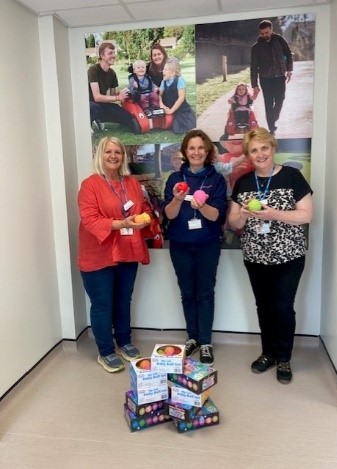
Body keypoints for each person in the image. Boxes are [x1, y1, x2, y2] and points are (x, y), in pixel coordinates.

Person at [228, 127, 313, 384]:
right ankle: (268, 353)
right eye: (254, 150)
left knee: (283, 307)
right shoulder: (243, 182)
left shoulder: (292, 176)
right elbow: (233, 222)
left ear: (273, 148)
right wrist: (242, 214)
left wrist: (274, 214)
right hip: (255, 258)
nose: (260, 154)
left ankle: (284, 357)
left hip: (289, 257)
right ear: (248, 155)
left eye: (264, 148)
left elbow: (307, 215)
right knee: (263, 307)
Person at [78, 136, 153, 373]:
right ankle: (106, 351)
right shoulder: (90, 185)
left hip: (127, 251)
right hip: (98, 253)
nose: (113, 156)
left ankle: (124, 341)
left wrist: (145, 218)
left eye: (118, 152)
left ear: (123, 156)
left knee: (123, 299)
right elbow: (90, 220)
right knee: (102, 304)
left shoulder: (131, 182)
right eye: (108, 152)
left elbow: (141, 209)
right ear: (100, 155)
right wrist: (122, 223)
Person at [163, 129, 228, 365]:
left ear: (207, 151)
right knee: (187, 293)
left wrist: (201, 206)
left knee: (205, 293)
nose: (196, 152)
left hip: (207, 245)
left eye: (201, 147)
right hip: (180, 245)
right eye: (192, 148)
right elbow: (169, 214)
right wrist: (178, 199)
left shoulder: (216, 180)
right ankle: (192, 337)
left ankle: (206, 342)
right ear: (185, 151)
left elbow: (216, 217)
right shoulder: (174, 179)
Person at [250, 20, 293, 135]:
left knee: (280, 99)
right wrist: (254, 85)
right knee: (268, 103)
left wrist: (289, 70)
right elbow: (253, 67)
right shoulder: (256, 47)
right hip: (265, 79)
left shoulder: (280, 41)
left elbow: (288, 54)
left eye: (267, 32)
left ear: (271, 30)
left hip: (279, 76)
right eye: (262, 33)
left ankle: (273, 118)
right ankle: (271, 128)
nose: (265, 35)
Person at [88, 42, 139, 134]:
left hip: (102, 104)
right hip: (89, 104)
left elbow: (112, 95)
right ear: (102, 56)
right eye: (110, 53)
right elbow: (97, 97)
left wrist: (124, 93)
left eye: (114, 53)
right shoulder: (93, 70)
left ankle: (99, 119)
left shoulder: (112, 73)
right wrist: (117, 97)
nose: (114, 55)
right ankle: (88, 122)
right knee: (94, 108)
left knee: (126, 117)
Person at [159, 57, 196, 134]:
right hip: (170, 108)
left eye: (165, 69)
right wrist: (162, 105)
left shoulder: (180, 80)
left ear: (172, 73)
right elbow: (159, 95)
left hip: (182, 109)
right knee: (176, 129)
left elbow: (181, 98)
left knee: (188, 126)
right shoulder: (163, 82)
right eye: (163, 69)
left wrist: (171, 111)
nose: (163, 71)